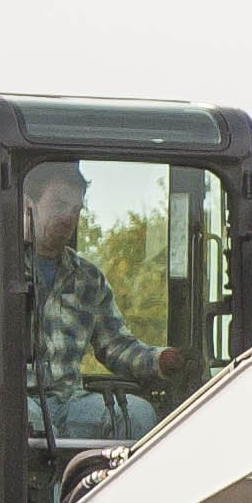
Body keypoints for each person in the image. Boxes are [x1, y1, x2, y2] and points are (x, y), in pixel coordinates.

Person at [23, 159, 187, 441]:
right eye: (59, 205)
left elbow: (115, 345)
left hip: (68, 403)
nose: (68, 218)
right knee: (23, 419)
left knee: (137, 415)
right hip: (14, 400)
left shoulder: (88, 279)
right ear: (28, 205)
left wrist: (160, 360)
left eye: (76, 210)